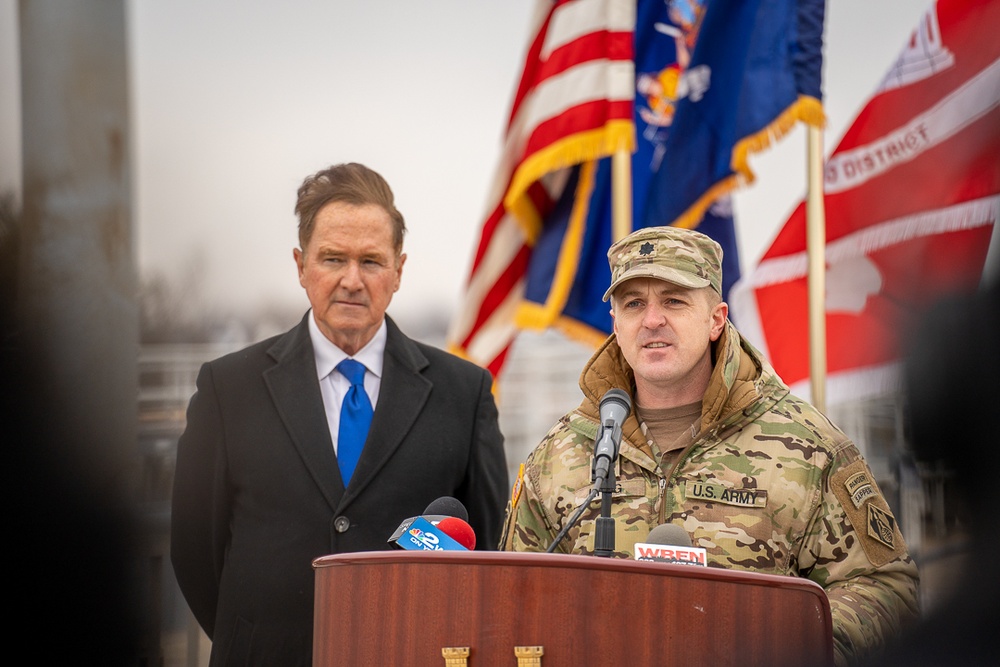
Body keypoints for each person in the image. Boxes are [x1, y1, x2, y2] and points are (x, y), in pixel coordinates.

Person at [500, 226, 919, 666]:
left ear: (716, 319)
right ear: (616, 324)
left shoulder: (806, 447)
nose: (652, 319)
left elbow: (887, 587)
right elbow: (512, 598)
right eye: (634, 304)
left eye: (674, 300)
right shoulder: (560, 455)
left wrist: (797, 649)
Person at [171, 162, 508, 666]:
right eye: (333, 258)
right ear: (301, 265)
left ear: (398, 270)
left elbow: (486, 554)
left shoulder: (464, 393)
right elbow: (194, 548)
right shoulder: (227, 388)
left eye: (371, 261)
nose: (352, 280)